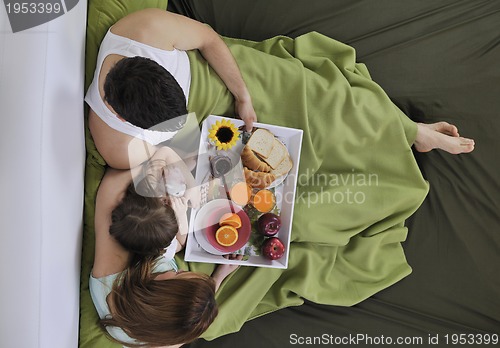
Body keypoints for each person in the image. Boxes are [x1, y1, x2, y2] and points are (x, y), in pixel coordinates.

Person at [90, 147, 242, 347]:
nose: (176, 270)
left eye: (178, 274)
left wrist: (152, 178)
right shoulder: (166, 328)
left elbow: (112, 185)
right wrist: (218, 277)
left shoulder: (112, 271)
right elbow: (182, 326)